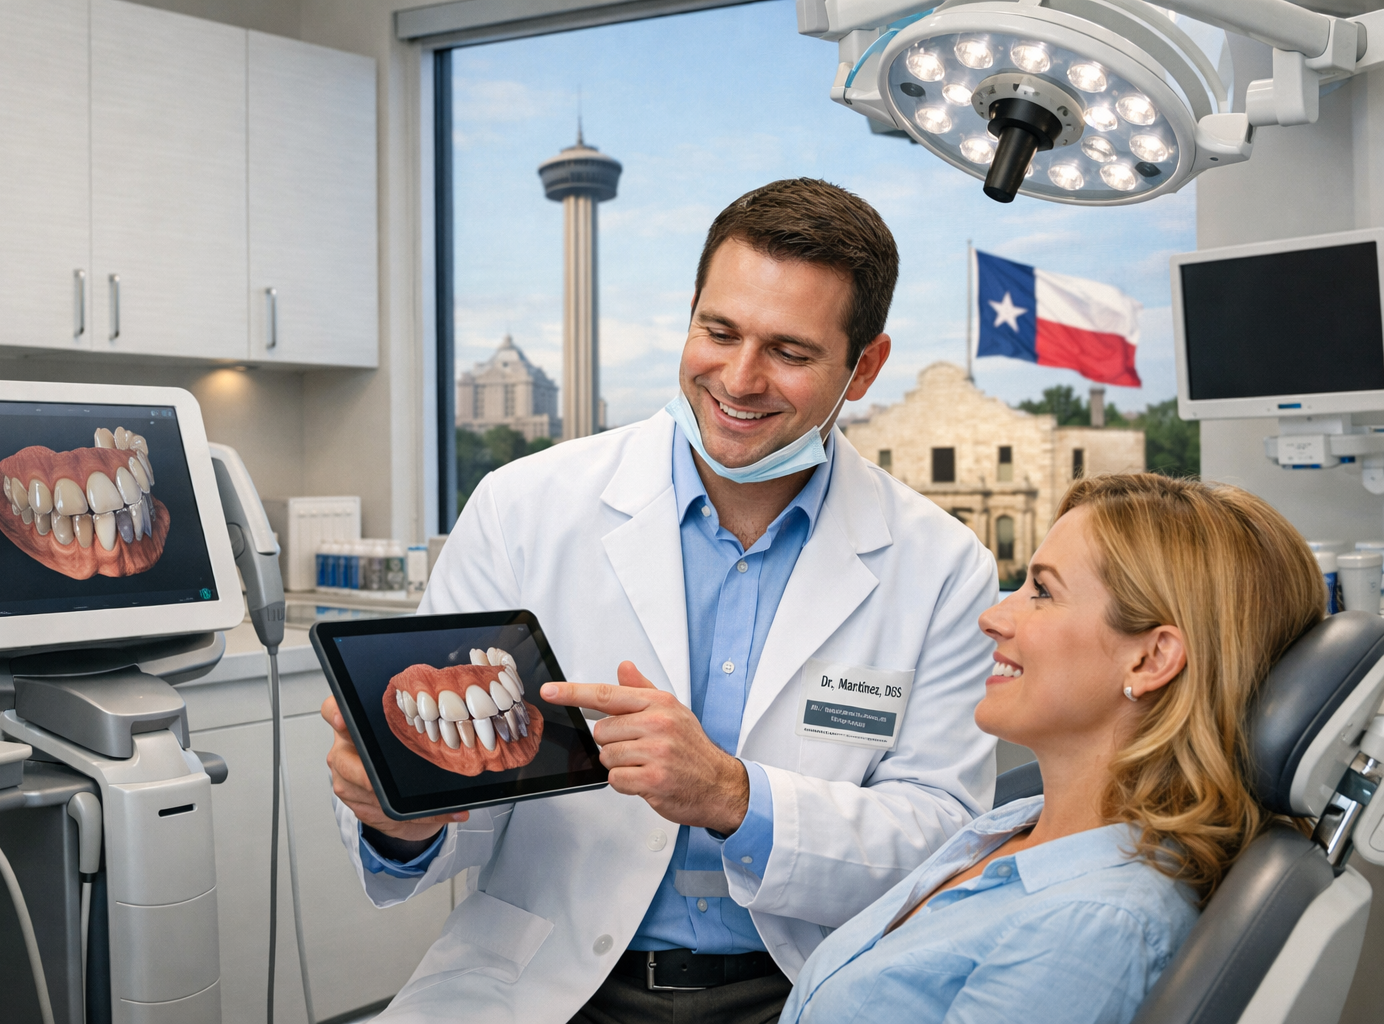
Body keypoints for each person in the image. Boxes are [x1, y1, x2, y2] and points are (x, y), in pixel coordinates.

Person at [321, 178, 1000, 1023]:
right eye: (718, 332)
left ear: (863, 367)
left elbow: (942, 838)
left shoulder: (940, 566)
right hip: (550, 975)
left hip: (803, 983)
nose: (739, 379)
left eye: (789, 352)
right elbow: (465, 808)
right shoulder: (522, 508)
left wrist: (734, 796)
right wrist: (404, 822)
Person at [780, 473, 1326, 1024]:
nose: (992, 618)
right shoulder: (1018, 825)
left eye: (1042, 592)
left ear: (1151, 660)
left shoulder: (1096, 926)